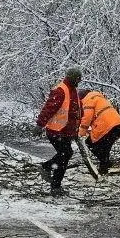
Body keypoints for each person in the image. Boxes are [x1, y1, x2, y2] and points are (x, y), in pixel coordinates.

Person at [35, 67, 83, 195]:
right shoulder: (61, 90)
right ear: (73, 78)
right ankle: (49, 175)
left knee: (65, 155)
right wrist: (40, 124)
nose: (79, 81)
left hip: (65, 131)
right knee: (65, 154)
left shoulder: (73, 90)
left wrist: (77, 129)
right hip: (56, 130)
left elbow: (76, 111)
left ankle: (54, 182)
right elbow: (49, 108)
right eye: (78, 79)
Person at [78, 89, 120, 174]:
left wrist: (81, 132)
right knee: (105, 147)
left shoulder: (88, 100)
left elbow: (86, 118)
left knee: (89, 143)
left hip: (107, 126)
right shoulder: (99, 98)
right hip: (119, 124)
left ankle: (106, 163)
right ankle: (104, 168)